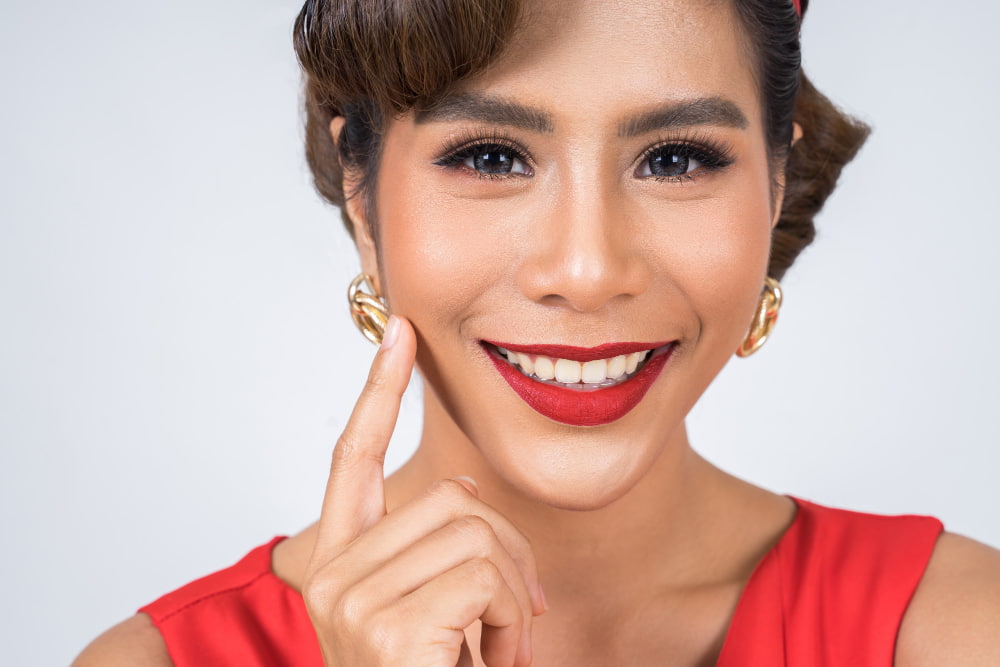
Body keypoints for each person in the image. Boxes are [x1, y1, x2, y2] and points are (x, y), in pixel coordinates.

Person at [73, 0, 1000, 664]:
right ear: (362, 195)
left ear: (773, 186)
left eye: (675, 159)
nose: (587, 271)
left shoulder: (960, 629)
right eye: (490, 155)